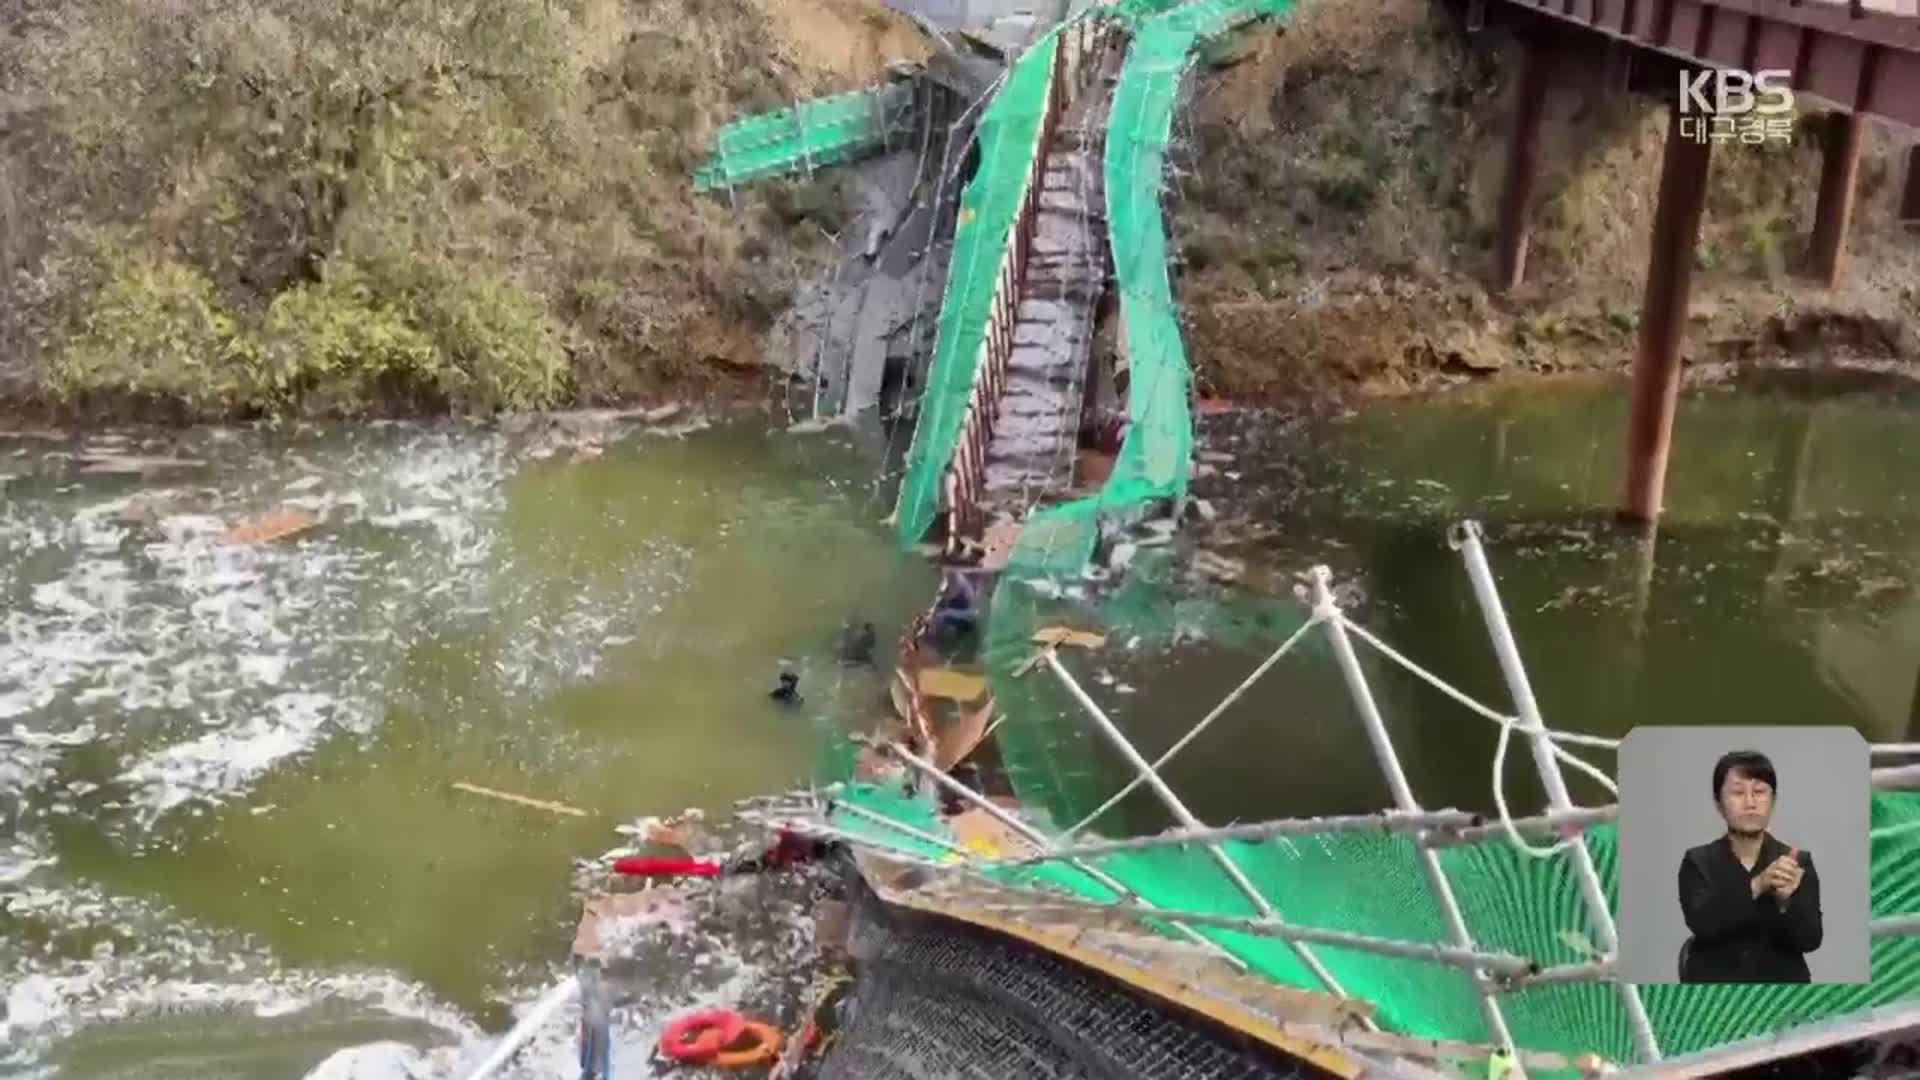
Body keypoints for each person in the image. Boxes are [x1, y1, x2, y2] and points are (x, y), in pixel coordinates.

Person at [1677, 749, 1822, 983]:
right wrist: (1758, 884)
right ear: (1718, 803)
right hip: (1714, 991)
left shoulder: (1797, 861)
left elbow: (1811, 940)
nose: (1750, 802)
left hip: (1782, 990)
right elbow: (1703, 924)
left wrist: (1786, 904)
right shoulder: (1698, 861)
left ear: (1773, 800)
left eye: (1760, 792)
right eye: (1737, 793)